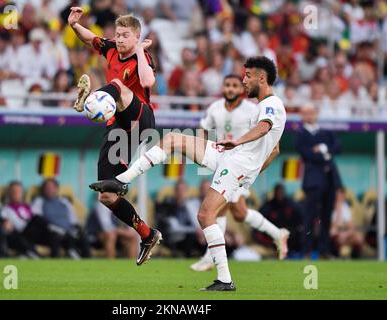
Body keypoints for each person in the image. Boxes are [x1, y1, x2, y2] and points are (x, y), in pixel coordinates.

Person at [92, 56, 286, 291]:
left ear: (262, 78)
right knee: (173, 139)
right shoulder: (259, 106)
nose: (244, 81)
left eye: (247, 76)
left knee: (206, 215)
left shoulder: (271, 104)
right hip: (231, 156)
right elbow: (274, 149)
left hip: (237, 161)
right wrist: (251, 172)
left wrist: (241, 150)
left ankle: (225, 279)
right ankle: (122, 180)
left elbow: (264, 127)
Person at [68, 7, 161, 265]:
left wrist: (141, 50)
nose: (119, 39)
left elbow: (147, 82)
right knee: (107, 195)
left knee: (118, 85)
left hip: (141, 118)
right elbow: (90, 38)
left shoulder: (142, 57)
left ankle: (91, 102)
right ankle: (147, 234)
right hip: (119, 127)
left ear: (136, 37)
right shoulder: (110, 48)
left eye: (125, 35)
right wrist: (75, 25)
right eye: (117, 34)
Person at [190, 75, 289, 272]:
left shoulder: (252, 110)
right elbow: (202, 129)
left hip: (240, 165)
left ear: (240, 90)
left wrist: (254, 170)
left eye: (235, 85)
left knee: (220, 210)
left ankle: (211, 257)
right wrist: (202, 155)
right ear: (223, 87)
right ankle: (278, 233)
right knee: (239, 213)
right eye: (227, 85)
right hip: (222, 163)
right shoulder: (215, 108)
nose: (231, 89)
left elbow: (273, 146)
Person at [295, 104, 342, 258]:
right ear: (302, 115)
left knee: (327, 215)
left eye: (312, 112)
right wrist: (326, 154)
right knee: (310, 216)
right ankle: (307, 251)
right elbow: (307, 154)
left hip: (330, 179)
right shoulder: (301, 134)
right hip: (313, 181)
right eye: (306, 113)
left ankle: (324, 250)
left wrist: (322, 148)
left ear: (316, 113)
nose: (309, 115)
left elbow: (339, 148)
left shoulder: (326, 132)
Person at [31, 178, 90, 259]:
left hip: (68, 231)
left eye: (52, 188)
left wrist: (77, 228)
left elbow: (73, 219)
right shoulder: (39, 201)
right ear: (43, 189)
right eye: (47, 188)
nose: (50, 190)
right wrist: (53, 228)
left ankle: (87, 262)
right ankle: (58, 261)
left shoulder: (64, 201)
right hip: (51, 232)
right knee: (55, 237)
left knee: (83, 237)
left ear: (56, 189)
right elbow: (37, 218)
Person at [256, 184, 304, 257]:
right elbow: (258, 224)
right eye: (278, 192)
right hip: (272, 239)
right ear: (274, 193)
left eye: (281, 192)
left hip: (290, 238)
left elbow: (301, 218)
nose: (280, 194)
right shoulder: (268, 207)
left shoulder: (291, 205)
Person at [330, 188, 364, 258]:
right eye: (337, 196)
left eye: (341, 196)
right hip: (333, 236)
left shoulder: (345, 209)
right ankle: (334, 256)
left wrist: (345, 234)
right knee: (333, 234)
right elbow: (332, 229)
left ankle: (355, 260)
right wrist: (338, 213)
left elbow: (351, 227)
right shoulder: (329, 208)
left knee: (359, 239)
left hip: (342, 234)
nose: (339, 198)